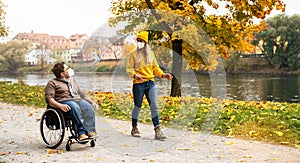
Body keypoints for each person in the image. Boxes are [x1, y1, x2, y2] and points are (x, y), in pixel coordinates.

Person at [126, 31, 173, 140]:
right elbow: (129, 68)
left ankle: (157, 130)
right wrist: (135, 75)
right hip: (138, 84)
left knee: (154, 105)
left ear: (145, 42)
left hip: (150, 83)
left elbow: (155, 68)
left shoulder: (150, 54)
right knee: (137, 106)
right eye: (138, 41)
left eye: (141, 41)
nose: (139, 43)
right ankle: (134, 127)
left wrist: (162, 74)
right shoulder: (133, 54)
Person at [45, 62, 98, 141]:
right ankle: (81, 133)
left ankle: (90, 131)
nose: (70, 70)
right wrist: (60, 105)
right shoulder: (52, 83)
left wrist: (92, 102)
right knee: (74, 107)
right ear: (62, 74)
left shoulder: (72, 80)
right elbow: (49, 99)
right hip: (63, 102)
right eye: (67, 69)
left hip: (77, 100)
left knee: (88, 107)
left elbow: (82, 94)